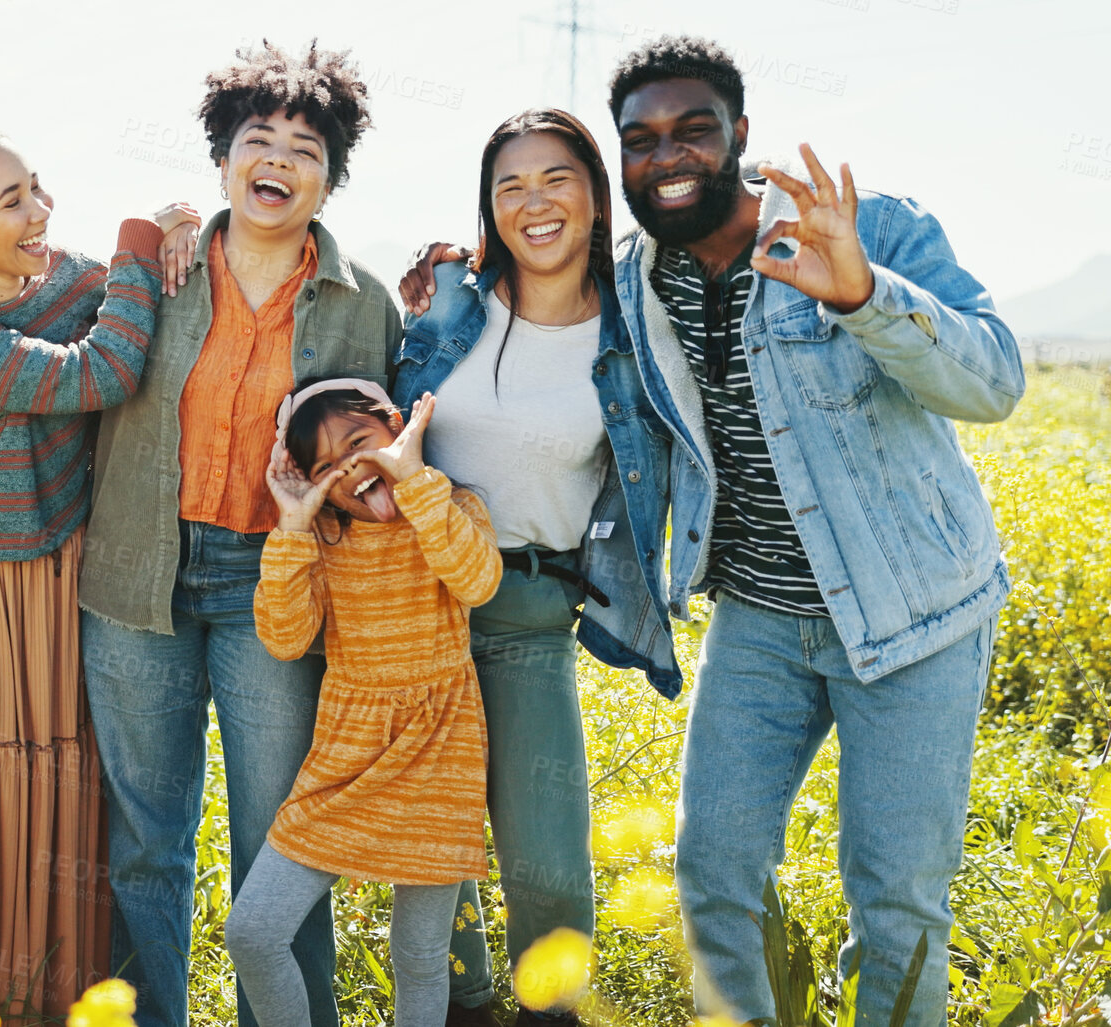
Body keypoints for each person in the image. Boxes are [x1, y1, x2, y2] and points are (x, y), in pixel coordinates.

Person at [405, 35, 1022, 1025]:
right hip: (759, 619)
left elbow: (995, 378)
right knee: (712, 876)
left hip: (916, 614)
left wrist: (865, 293)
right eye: (641, 140)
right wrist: (446, 281)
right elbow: (530, 305)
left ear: (742, 133)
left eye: (695, 129)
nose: (669, 155)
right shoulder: (634, 283)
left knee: (896, 901)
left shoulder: (865, 227)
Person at [76, 40, 401, 1027]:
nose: (280, 162)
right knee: (145, 838)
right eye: (259, 141)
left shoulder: (366, 305)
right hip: (139, 576)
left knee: (280, 843)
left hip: (280, 588)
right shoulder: (155, 273)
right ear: (222, 161)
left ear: (330, 179)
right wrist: (147, 227)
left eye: (306, 149)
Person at [0, 112, 199, 1018]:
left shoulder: (60, 282)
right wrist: (138, 242)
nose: (40, 211)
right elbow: (98, 373)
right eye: (11, 199)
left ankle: (55, 1000)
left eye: (38, 189)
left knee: (63, 793)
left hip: (60, 584)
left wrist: (171, 236)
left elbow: (136, 291)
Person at [391, 108, 679, 1027]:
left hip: (528, 607)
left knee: (546, 855)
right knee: (432, 850)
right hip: (413, 602)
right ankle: (459, 1005)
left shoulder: (632, 333)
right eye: (508, 185)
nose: (533, 202)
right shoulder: (451, 300)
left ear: (596, 194)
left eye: (555, 178)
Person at [225, 381, 498, 1027]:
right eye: (325, 466)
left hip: (439, 750)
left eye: (359, 442)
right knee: (253, 931)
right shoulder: (320, 536)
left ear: (397, 428)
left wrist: (415, 479)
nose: (348, 466)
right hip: (346, 755)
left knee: (419, 951)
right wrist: (292, 524)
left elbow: (477, 581)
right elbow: (285, 638)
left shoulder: (449, 505)